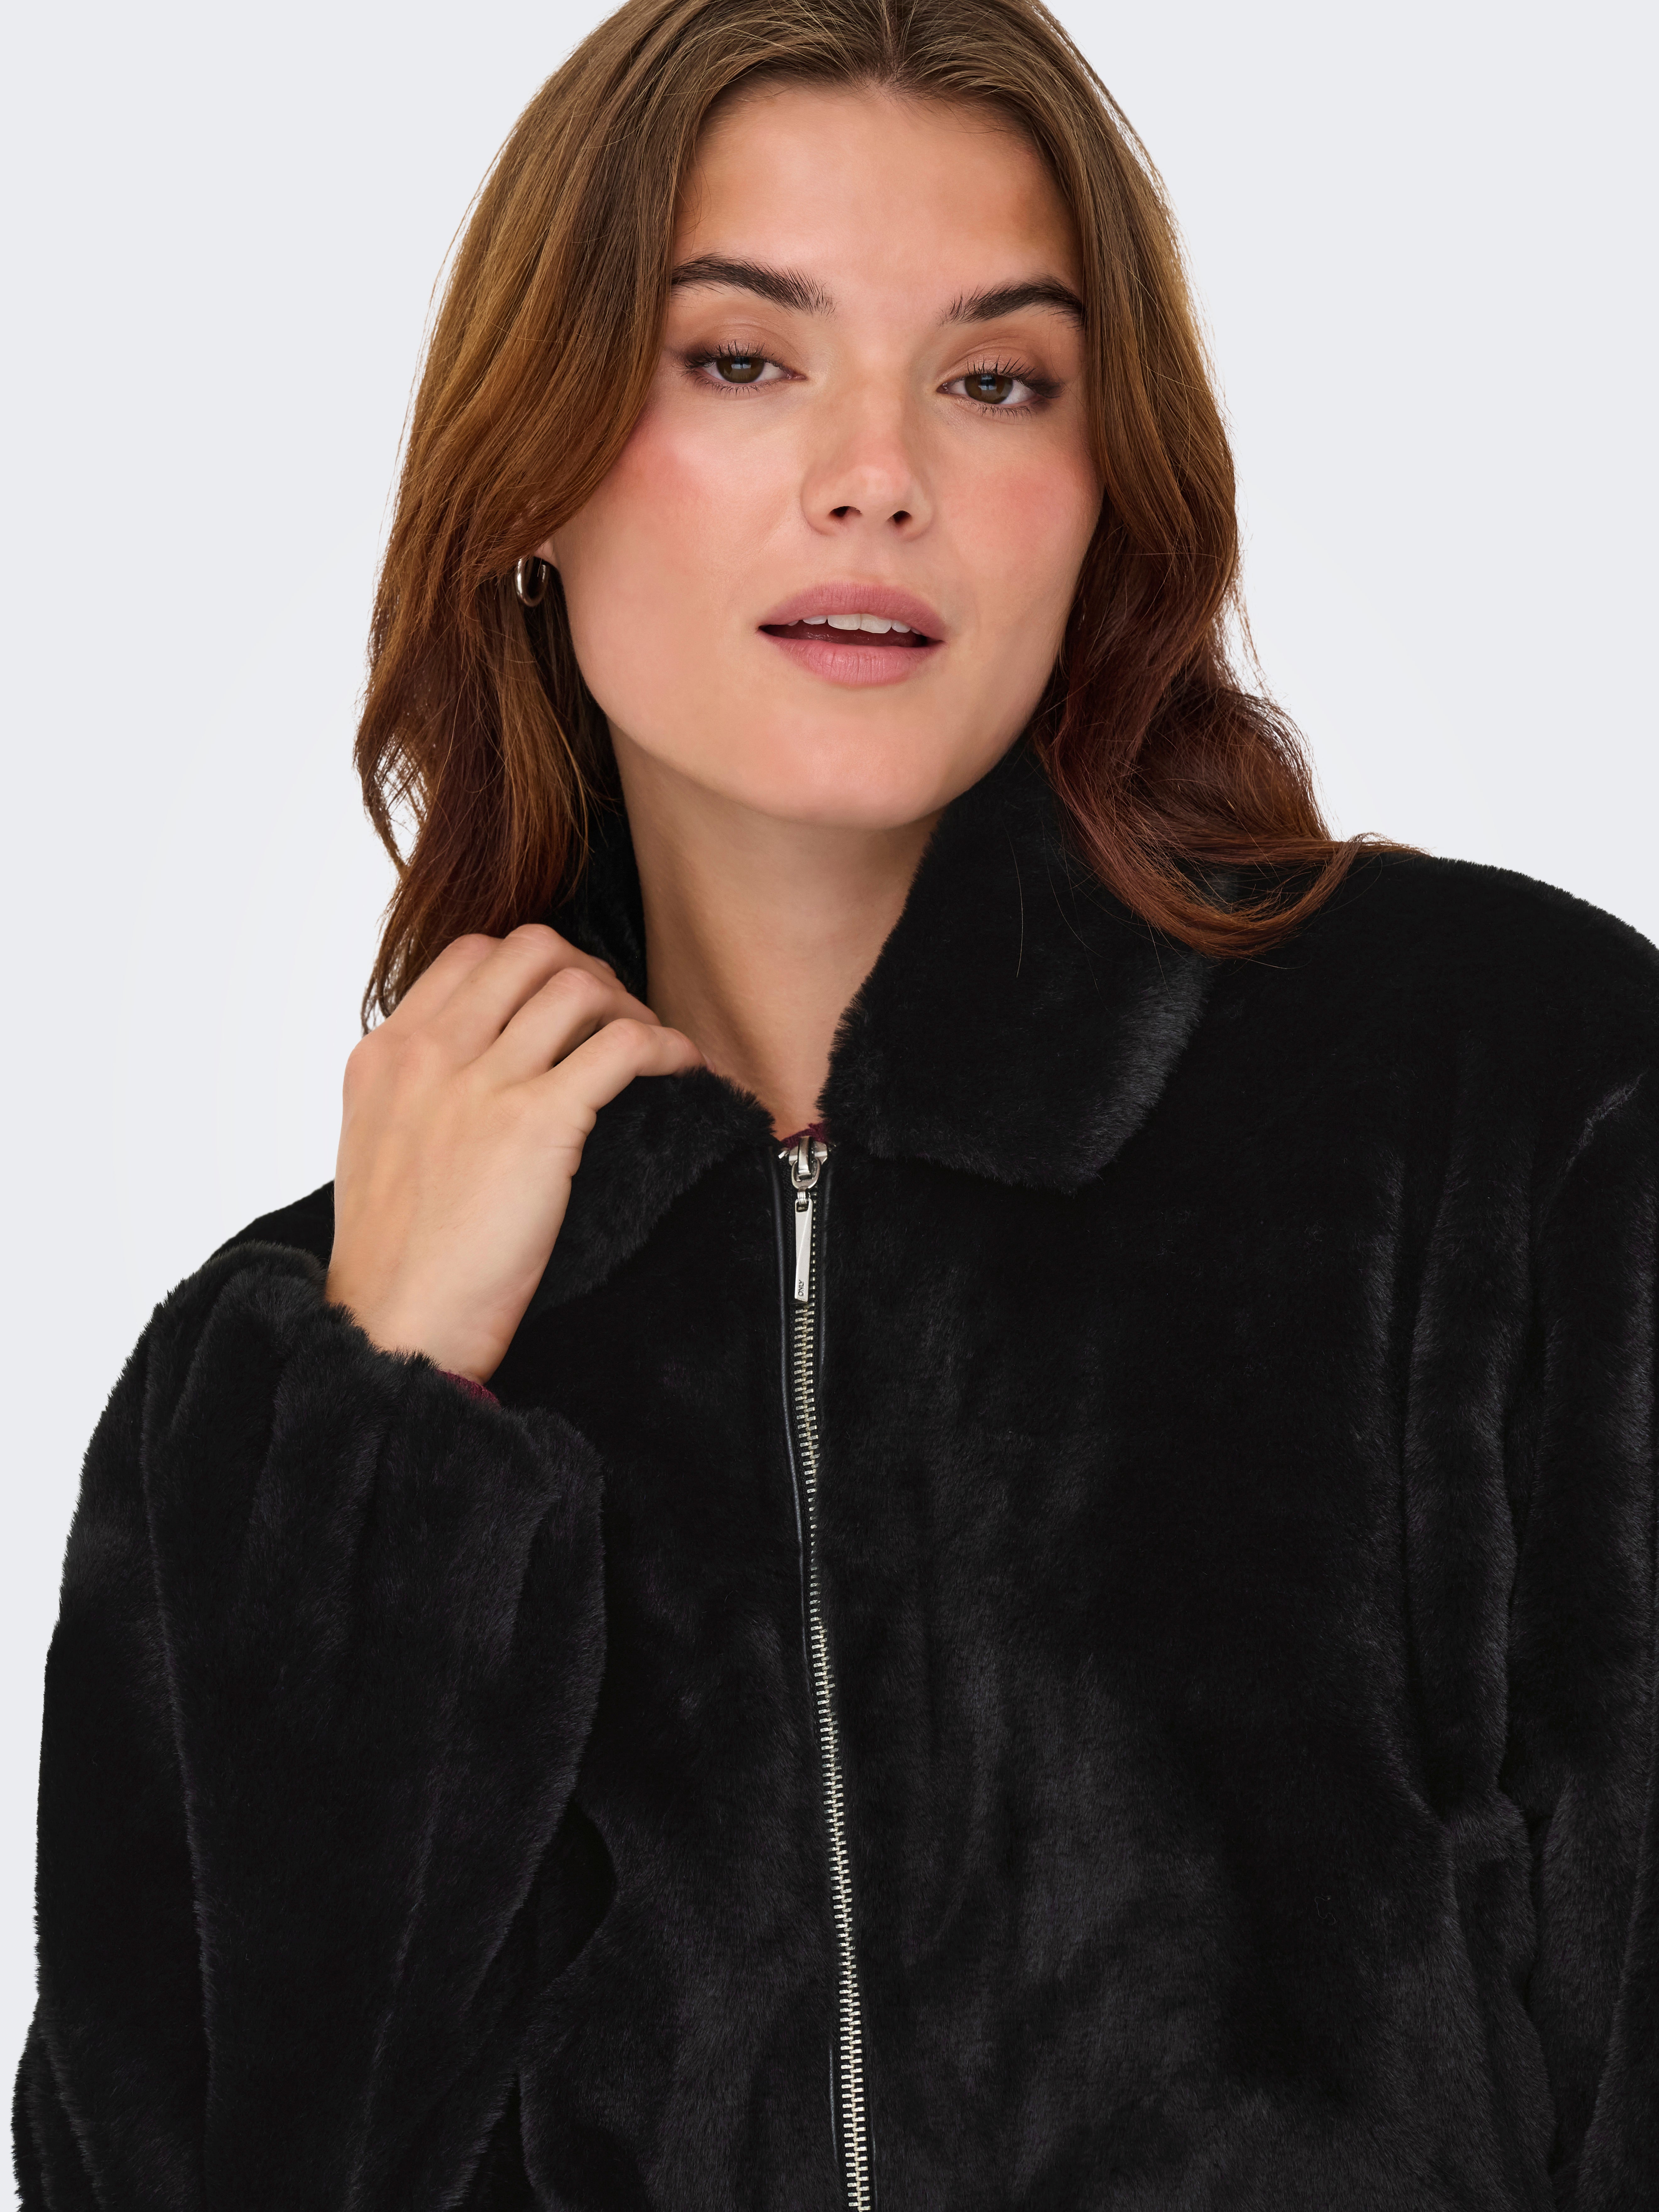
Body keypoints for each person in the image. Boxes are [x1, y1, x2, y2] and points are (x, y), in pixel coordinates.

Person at [16, 0, 1659, 2202]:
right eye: (740, 358)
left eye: (996, 380)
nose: (875, 471)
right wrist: (383, 1438)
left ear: (1105, 494)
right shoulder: (290, 1375)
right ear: (534, 475)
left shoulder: (1507, 1097)